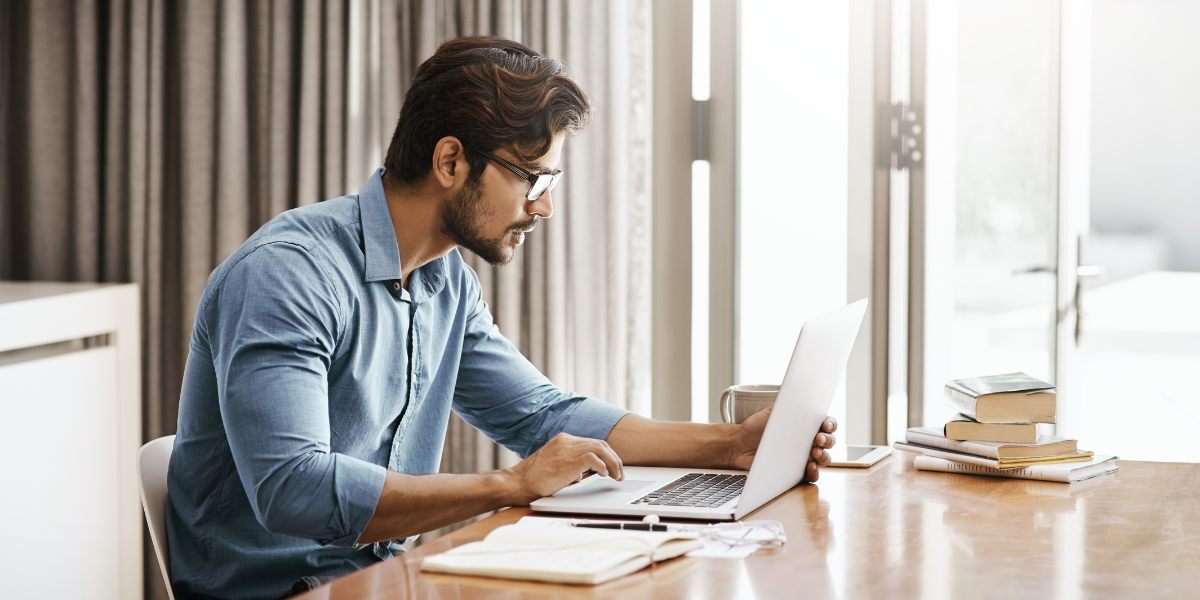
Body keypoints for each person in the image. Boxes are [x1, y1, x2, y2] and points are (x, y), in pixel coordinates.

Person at [165, 36, 838, 600]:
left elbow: (539, 415)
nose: (543, 208)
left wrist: (729, 447)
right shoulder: (288, 273)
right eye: (531, 179)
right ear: (452, 160)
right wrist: (508, 486)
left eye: (551, 182)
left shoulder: (443, 281)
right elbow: (293, 492)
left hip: (391, 579)